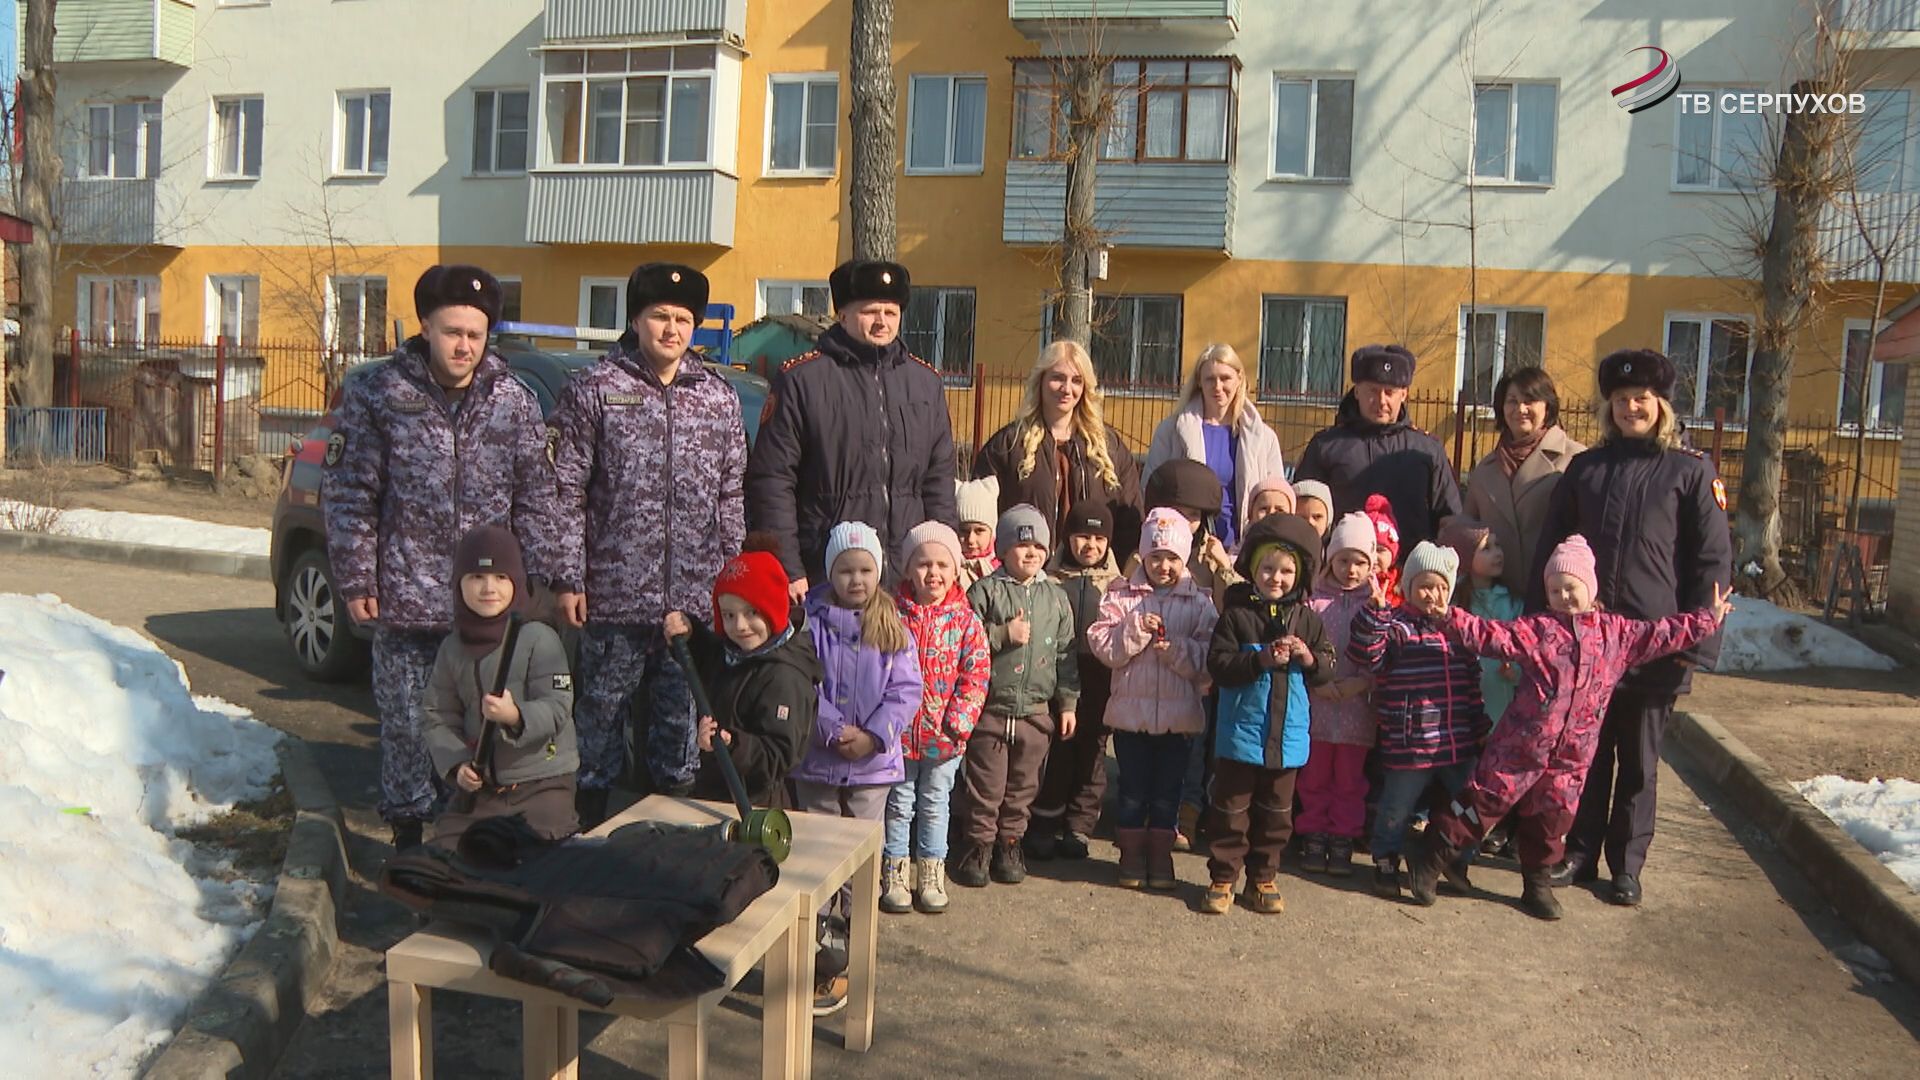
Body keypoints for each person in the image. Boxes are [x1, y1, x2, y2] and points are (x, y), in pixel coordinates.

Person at [323, 264, 560, 851]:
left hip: (486, 612)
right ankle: (407, 846)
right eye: (452, 332)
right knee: (408, 732)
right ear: (425, 326)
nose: (463, 346)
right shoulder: (378, 394)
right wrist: (356, 578)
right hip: (406, 600)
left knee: (482, 738)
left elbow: (536, 497)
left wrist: (536, 583)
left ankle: (469, 853)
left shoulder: (513, 402)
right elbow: (351, 492)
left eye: (475, 336)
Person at [1408, 536, 1735, 919]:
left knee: (1551, 820)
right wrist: (1450, 616)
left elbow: (1661, 633)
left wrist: (1707, 618)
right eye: (1555, 589)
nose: (1563, 596)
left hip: (1572, 755)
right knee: (1484, 801)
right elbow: (1492, 635)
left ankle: (1537, 884)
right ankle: (1430, 858)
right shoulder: (1539, 629)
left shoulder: (1616, 634)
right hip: (1520, 744)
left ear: (1590, 588)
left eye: (1571, 588)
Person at [1532, 348, 1733, 907]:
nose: (1630, 408)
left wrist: (1698, 643)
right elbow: (1550, 549)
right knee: (1585, 755)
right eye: (1620, 400)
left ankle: (1627, 865)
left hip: (1655, 647)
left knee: (1640, 763)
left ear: (1660, 405)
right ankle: (1579, 850)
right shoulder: (1586, 470)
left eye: (1640, 399)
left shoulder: (1689, 473)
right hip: (1586, 647)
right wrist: (1539, 630)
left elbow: (1712, 563)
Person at [549, 263, 746, 829]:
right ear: (636, 319)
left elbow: (731, 494)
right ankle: (586, 840)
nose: (671, 329)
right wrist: (569, 577)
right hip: (612, 598)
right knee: (600, 729)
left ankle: (669, 845)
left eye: (684, 319)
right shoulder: (596, 390)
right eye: (660, 316)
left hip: (690, 602)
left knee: (678, 735)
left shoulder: (718, 398)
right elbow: (566, 491)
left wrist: (730, 583)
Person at [747, 259, 956, 595]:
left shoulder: (925, 384)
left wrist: (944, 557)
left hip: (908, 578)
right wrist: (788, 567)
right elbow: (773, 480)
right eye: (870, 311)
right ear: (842, 314)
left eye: (891, 313)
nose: (881, 322)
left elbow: (939, 482)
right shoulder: (802, 381)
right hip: (829, 576)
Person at [793, 521, 921, 1015]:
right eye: (845, 570)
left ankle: (855, 938)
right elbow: (802, 681)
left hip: (873, 766)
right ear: (830, 572)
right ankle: (818, 940)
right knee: (819, 852)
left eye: (866, 569)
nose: (856, 580)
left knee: (861, 855)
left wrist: (871, 736)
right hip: (818, 760)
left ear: (878, 571)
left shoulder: (890, 623)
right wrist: (829, 730)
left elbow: (905, 691)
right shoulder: (810, 621)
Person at [1202, 513, 1334, 914]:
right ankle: (1223, 877)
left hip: (1287, 739)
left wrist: (1308, 657)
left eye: (1287, 570)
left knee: (1276, 814)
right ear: (1253, 570)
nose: (1276, 578)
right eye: (1268, 568)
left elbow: (1327, 667)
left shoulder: (1309, 621)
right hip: (1240, 736)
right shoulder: (1237, 616)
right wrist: (1259, 661)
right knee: (1231, 810)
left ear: (1301, 575)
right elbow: (1219, 666)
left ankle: (1263, 878)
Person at [1348, 541, 1488, 899]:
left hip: (1456, 741)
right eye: (1425, 585)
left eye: (1442, 587)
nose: (1434, 595)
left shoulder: (1458, 630)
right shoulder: (1397, 627)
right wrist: (1374, 614)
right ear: (1408, 587)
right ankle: (1385, 858)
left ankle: (1454, 859)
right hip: (1410, 743)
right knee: (1397, 807)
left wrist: (1479, 726)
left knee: (1468, 805)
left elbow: (1472, 682)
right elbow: (1368, 655)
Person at [1086, 508, 1217, 890]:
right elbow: (1105, 647)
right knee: (1132, 789)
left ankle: (1160, 854)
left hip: (1178, 721)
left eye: (1172, 558)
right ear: (1143, 556)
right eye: (1156, 557)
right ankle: (1130, 853)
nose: (1163, 566)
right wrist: (1133, 630)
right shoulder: (1120, 595)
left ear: (1185, 559)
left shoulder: (1199, 603)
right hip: (1131, 717)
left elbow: (1209, 659)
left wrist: (1174, 650)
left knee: (1167, 793)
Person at [424, 526, 578, 848]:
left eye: (500, 577)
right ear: (458, 585)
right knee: (445, 857)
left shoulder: (539, 637)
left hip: (542, 785)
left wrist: (515, 715)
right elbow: (438, 715)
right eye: (476, 578)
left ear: (517, 583)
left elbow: (559, 705)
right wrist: (457, 764)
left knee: (538, 860)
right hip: (484, 792)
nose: (488, 588)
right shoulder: (452, 648)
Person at [951, 505, 1079, 888]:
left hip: (1036, 712)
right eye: (1022, 545)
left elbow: (1066, 655)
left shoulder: (1056, 598)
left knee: (1024, 785)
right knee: (986, 785)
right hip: (991, 708)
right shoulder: (985, 591)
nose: (1031, 553)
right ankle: (979, 845)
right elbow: (964, 641)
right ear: (1003, 549)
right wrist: (1001, 635)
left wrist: (1068, 703)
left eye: (1038, 546)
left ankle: (1010, 842)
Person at [664, 533, 820, 810]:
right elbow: (708, 658)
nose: (740, 626)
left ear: (772, 611)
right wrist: (690, 634)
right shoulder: (731, 653)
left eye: (752, 613)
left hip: (758, 804)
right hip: (713, 792)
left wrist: (731, 743)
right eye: (729, 615)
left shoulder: (785, 677)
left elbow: (781, 754)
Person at [888, 521, 990, 914]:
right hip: (898, 735)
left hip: (944, 737)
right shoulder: (893, 615)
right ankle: (894, 869)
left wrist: (959, 721)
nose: (933, 573)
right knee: (898, 802)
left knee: (934, 802)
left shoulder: (965, 621)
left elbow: (977, 672)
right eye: (924, 564)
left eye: (942, 565)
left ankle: (931, 870)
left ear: (955, 569)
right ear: (908, 568)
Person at [972, 340, 1144, 564]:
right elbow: (981, 516)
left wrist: (1119, 573)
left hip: (1091, 581)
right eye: (1057, 378)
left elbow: (1130, 519)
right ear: (1041, 381)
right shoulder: (1009, 444)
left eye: (1076, 381)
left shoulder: (1109, 448)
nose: (1067, 389)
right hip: (1027, 578)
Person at [1293, 344, 1462, 557]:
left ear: (1404, 394)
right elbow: (1303, 513)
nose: (1381, 401)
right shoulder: (1326, 446)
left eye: (1389, 392)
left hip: (1409, 578)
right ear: (1356, 391)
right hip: (1342, 575)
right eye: (1373, 390)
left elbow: (1449, 517)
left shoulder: (1427, 450)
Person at [1029, 502, 1123, 860]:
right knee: (1057, 752)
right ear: (1067, 538)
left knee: (1093, 754)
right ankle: (1045, 822)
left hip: (1100, 680)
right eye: (1083, 536)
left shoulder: (1118, 584)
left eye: (1100, 539)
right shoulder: (1049, 579)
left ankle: (1079, 827)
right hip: (1057, 679)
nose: (1090, 546)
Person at [1143, 343, 1288, 552]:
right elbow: (1149, 488)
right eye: (1210, 379)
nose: (1217, 387)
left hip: (1244, 548)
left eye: (1225, 378)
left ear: (1239, 379)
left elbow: (1277, 497)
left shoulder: (1264, 437)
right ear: (1199, 383)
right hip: (1185, 548)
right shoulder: (1171, 431)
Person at [1300, 512, 1382, 877]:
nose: (1351, 569)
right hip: (1318, 704)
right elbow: (1303, 644)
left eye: (1360, 561)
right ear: (1330, 558)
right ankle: (1313, 833)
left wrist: (1363, 682)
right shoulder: (1314, 601)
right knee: (1314, 776)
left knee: (1350, 780)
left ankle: (1343, 837)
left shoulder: (1377, 606)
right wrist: (1317, 680)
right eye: (1344, 559)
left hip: (1357, 710)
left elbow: (1387, 654)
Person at [1462, 367, 1586, 595]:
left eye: (1530, 400)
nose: (1520, 409)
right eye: (1512, 401)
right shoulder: (1485, 469)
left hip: (1554, 599)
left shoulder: (1576, 460)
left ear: (1547, 405)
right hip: (1498, 603)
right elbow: (1469, 531)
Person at [1441, 518, 1523, 727]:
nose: (1497, 553)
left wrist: (1515, 673)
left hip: (1504, 711)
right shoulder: (1454, 606)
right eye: (1486, 548)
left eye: (1497, 546)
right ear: (1465, 558)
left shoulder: (1512, 603)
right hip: (1463, 713)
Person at [955, 476, 1002, 590]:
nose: (970, 539)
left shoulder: (1002, 569)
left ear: (992, 533)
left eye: (979, 531)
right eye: (964, 531)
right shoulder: (950, 568)